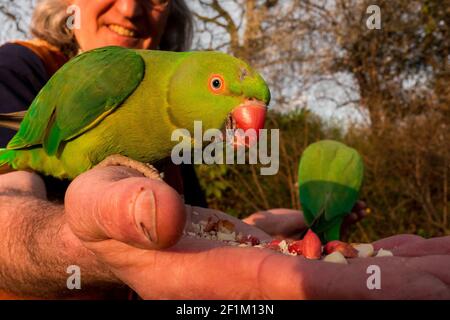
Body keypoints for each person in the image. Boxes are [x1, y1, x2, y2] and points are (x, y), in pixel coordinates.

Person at [0, 0, 448, 299]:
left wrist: (269, 231)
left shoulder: (185, 137)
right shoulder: (28, 67)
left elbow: (186, 226)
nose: (131, 7)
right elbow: (11, 193)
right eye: (218, 87)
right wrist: (86, 239)